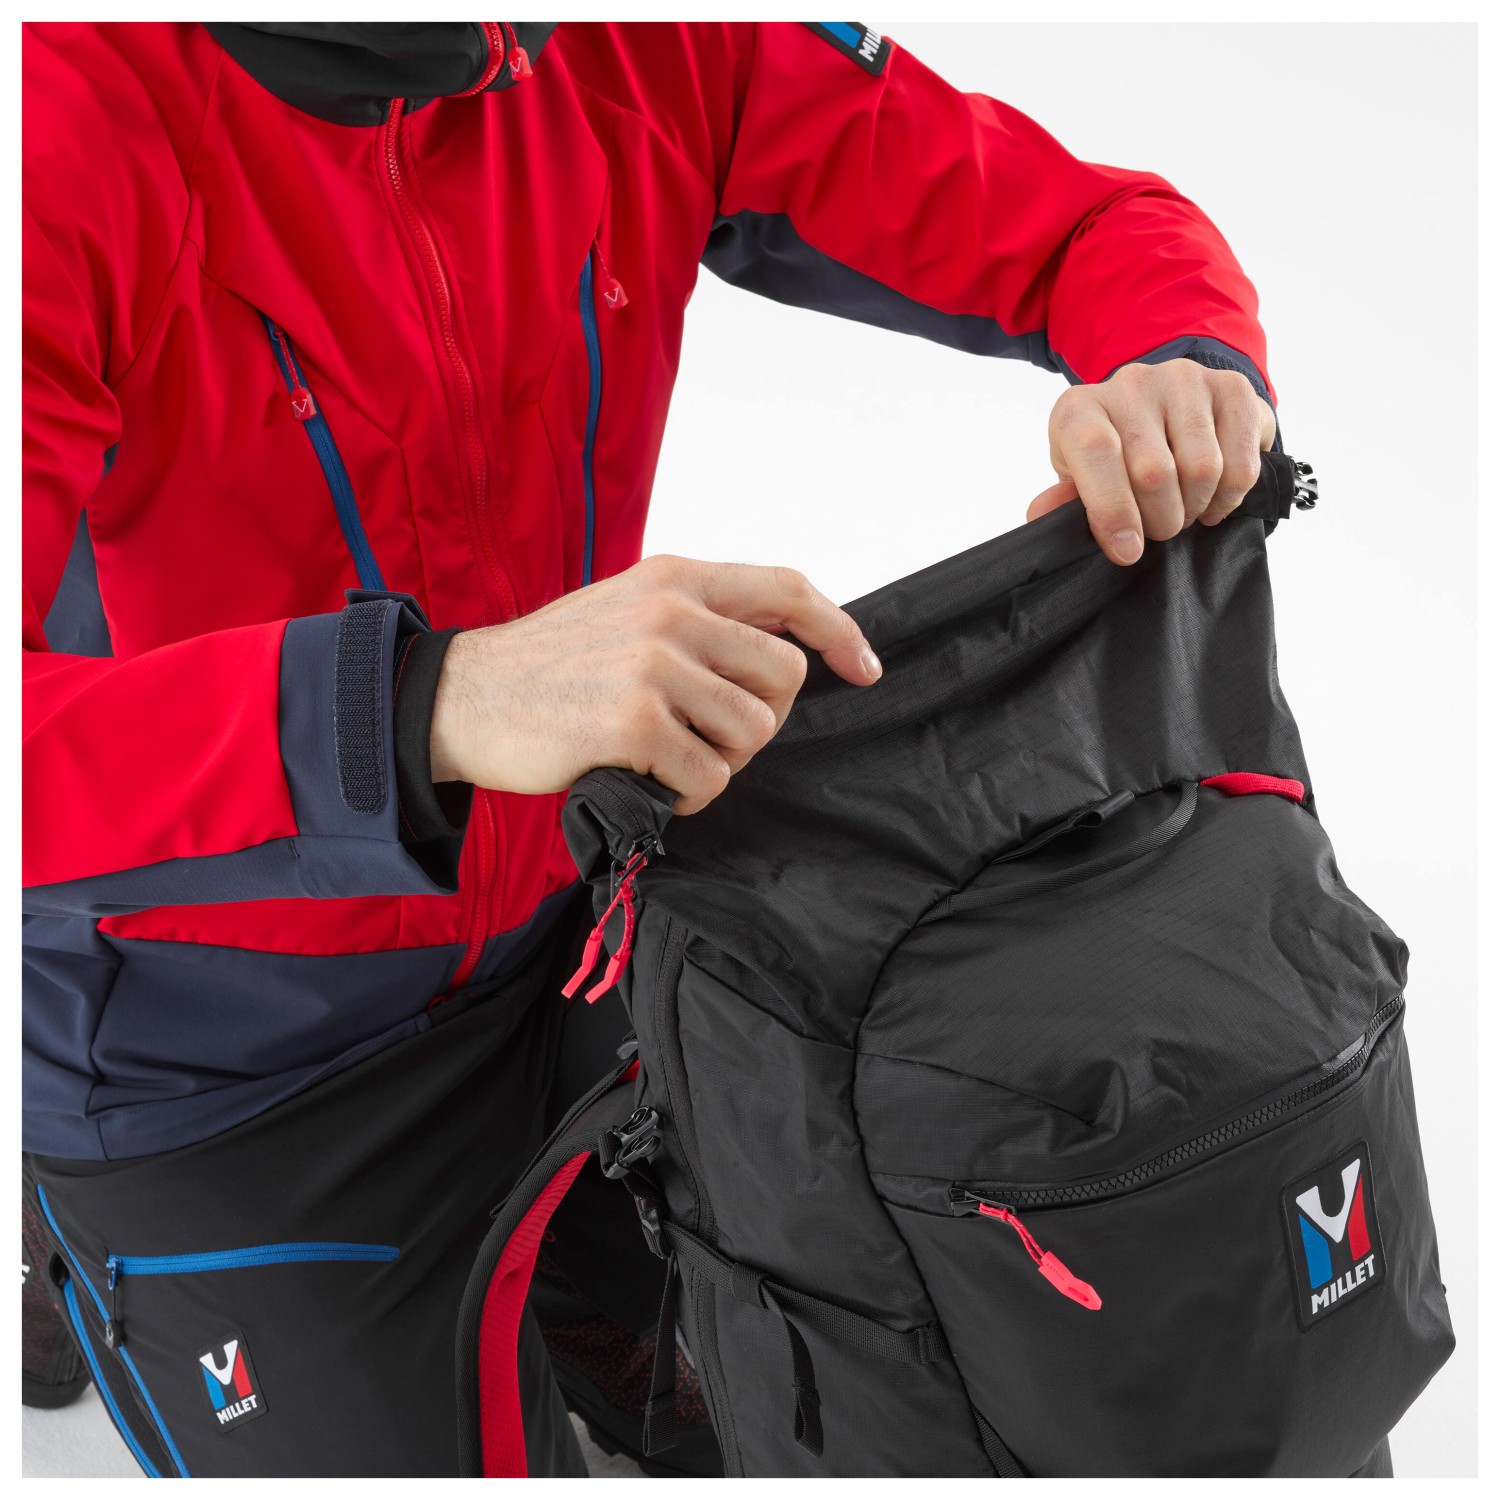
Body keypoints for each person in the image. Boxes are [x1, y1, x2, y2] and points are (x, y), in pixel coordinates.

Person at [22, 22, 1282, 1477]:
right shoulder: (55, 129)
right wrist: (423, 704)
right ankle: (61, 1244)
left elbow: (1084, 224)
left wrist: (1178, 365)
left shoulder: (624, 40)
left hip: (584, 927)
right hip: (215, 1059)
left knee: (884, 1375)